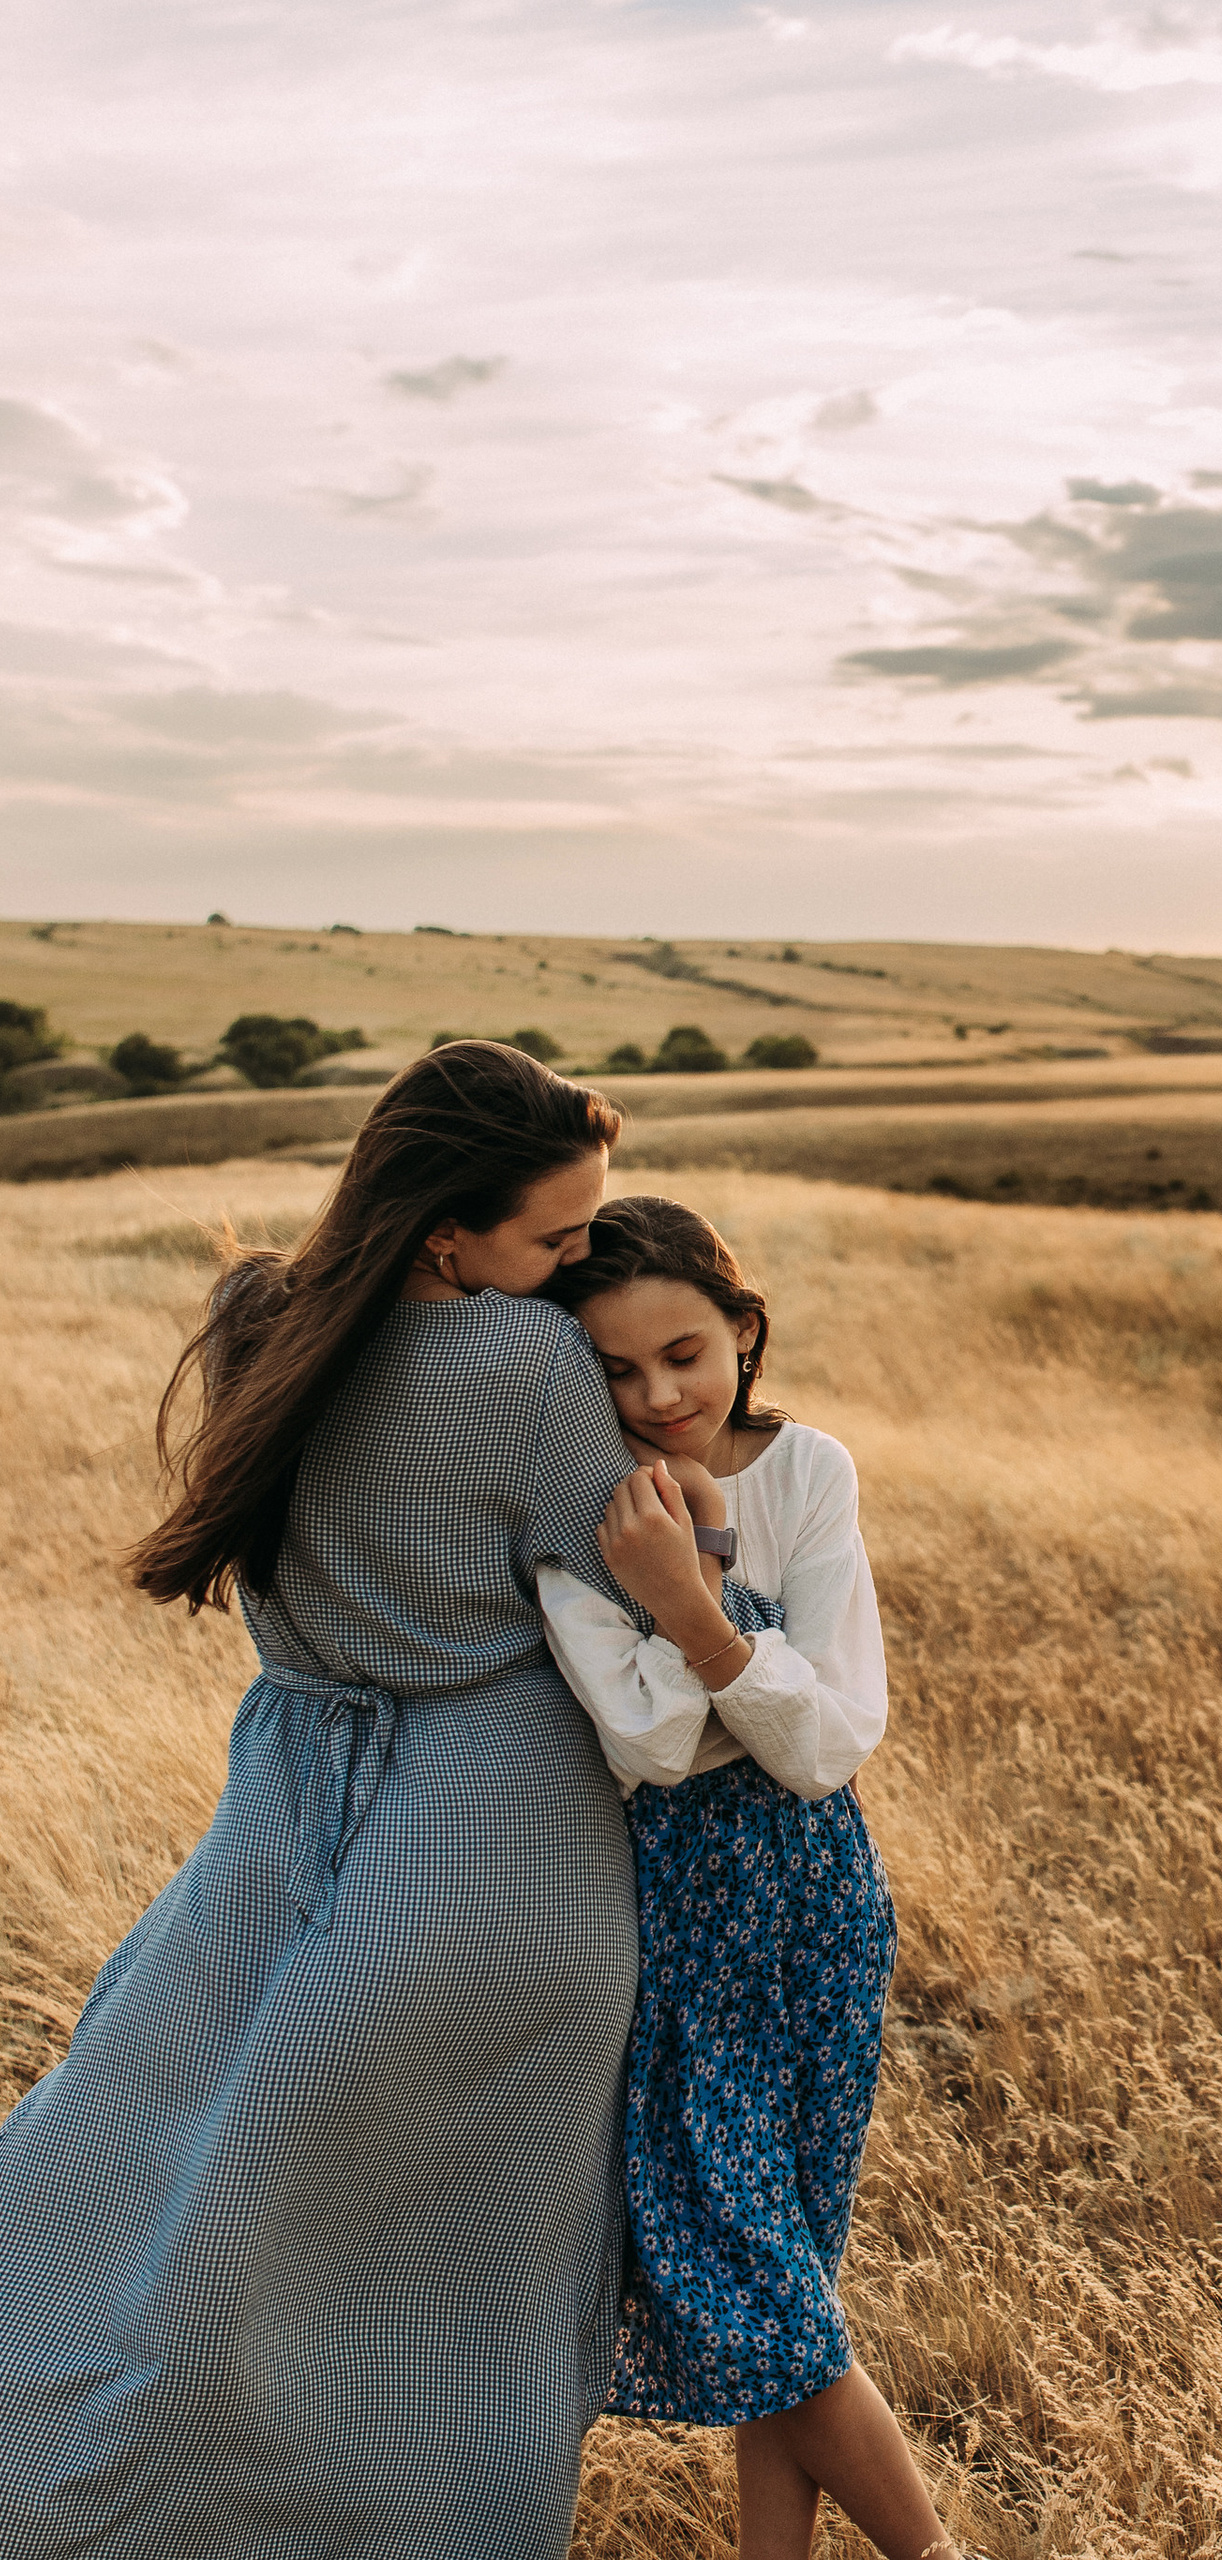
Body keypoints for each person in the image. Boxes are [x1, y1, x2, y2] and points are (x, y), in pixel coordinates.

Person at [0, 1043, 724, 2560]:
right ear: (446, 1237)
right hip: (503, 1844)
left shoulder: (260, 1320)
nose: (580, 1266)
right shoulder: (522, 1359)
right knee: (455, 2289)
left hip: (282, 1805)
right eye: (558, 1238)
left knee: (141, 2171)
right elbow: (622, 1578)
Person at [538, 1196, 958, 2560]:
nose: (660, 1397)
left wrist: (690, 1601)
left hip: (822, 1912)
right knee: (765, 2292)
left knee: (791, 2286)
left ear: (742, 1332)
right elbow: (654, 1745)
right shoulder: (577, 1510)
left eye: (686, 1355)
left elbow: (828, 1748)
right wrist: (714, 1615)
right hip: (681, 1930)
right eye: (618, 1369)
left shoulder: (810, 1469)